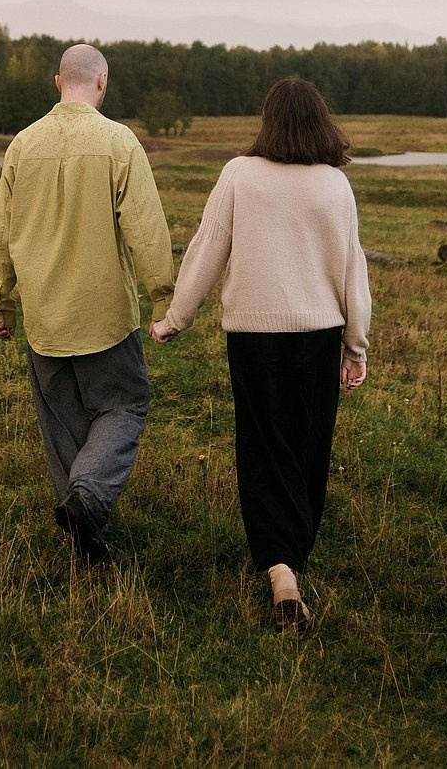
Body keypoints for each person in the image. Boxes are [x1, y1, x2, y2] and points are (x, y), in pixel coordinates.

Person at [150, 78, 371, 632]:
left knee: (263, 444)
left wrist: (175, 319)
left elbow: (208, 247)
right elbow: (353, 269)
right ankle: (294, 558)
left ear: (268, 120)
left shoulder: (239, 175)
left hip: (253, 336)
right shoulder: (335, 186)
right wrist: (356, 345)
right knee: (307, 446)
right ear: (321, 121)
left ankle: (280, 572)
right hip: (320, 333)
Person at [0, 43, 175, 564]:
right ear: (102, 82)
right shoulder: (119, 142)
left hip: (44, 319)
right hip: (105, 317)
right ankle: (88, 500)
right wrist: (165, 298)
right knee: (124, 404)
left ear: (56, 81)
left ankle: (84, 537)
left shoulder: (22, 145)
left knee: (63, 426)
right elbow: (147, 229)